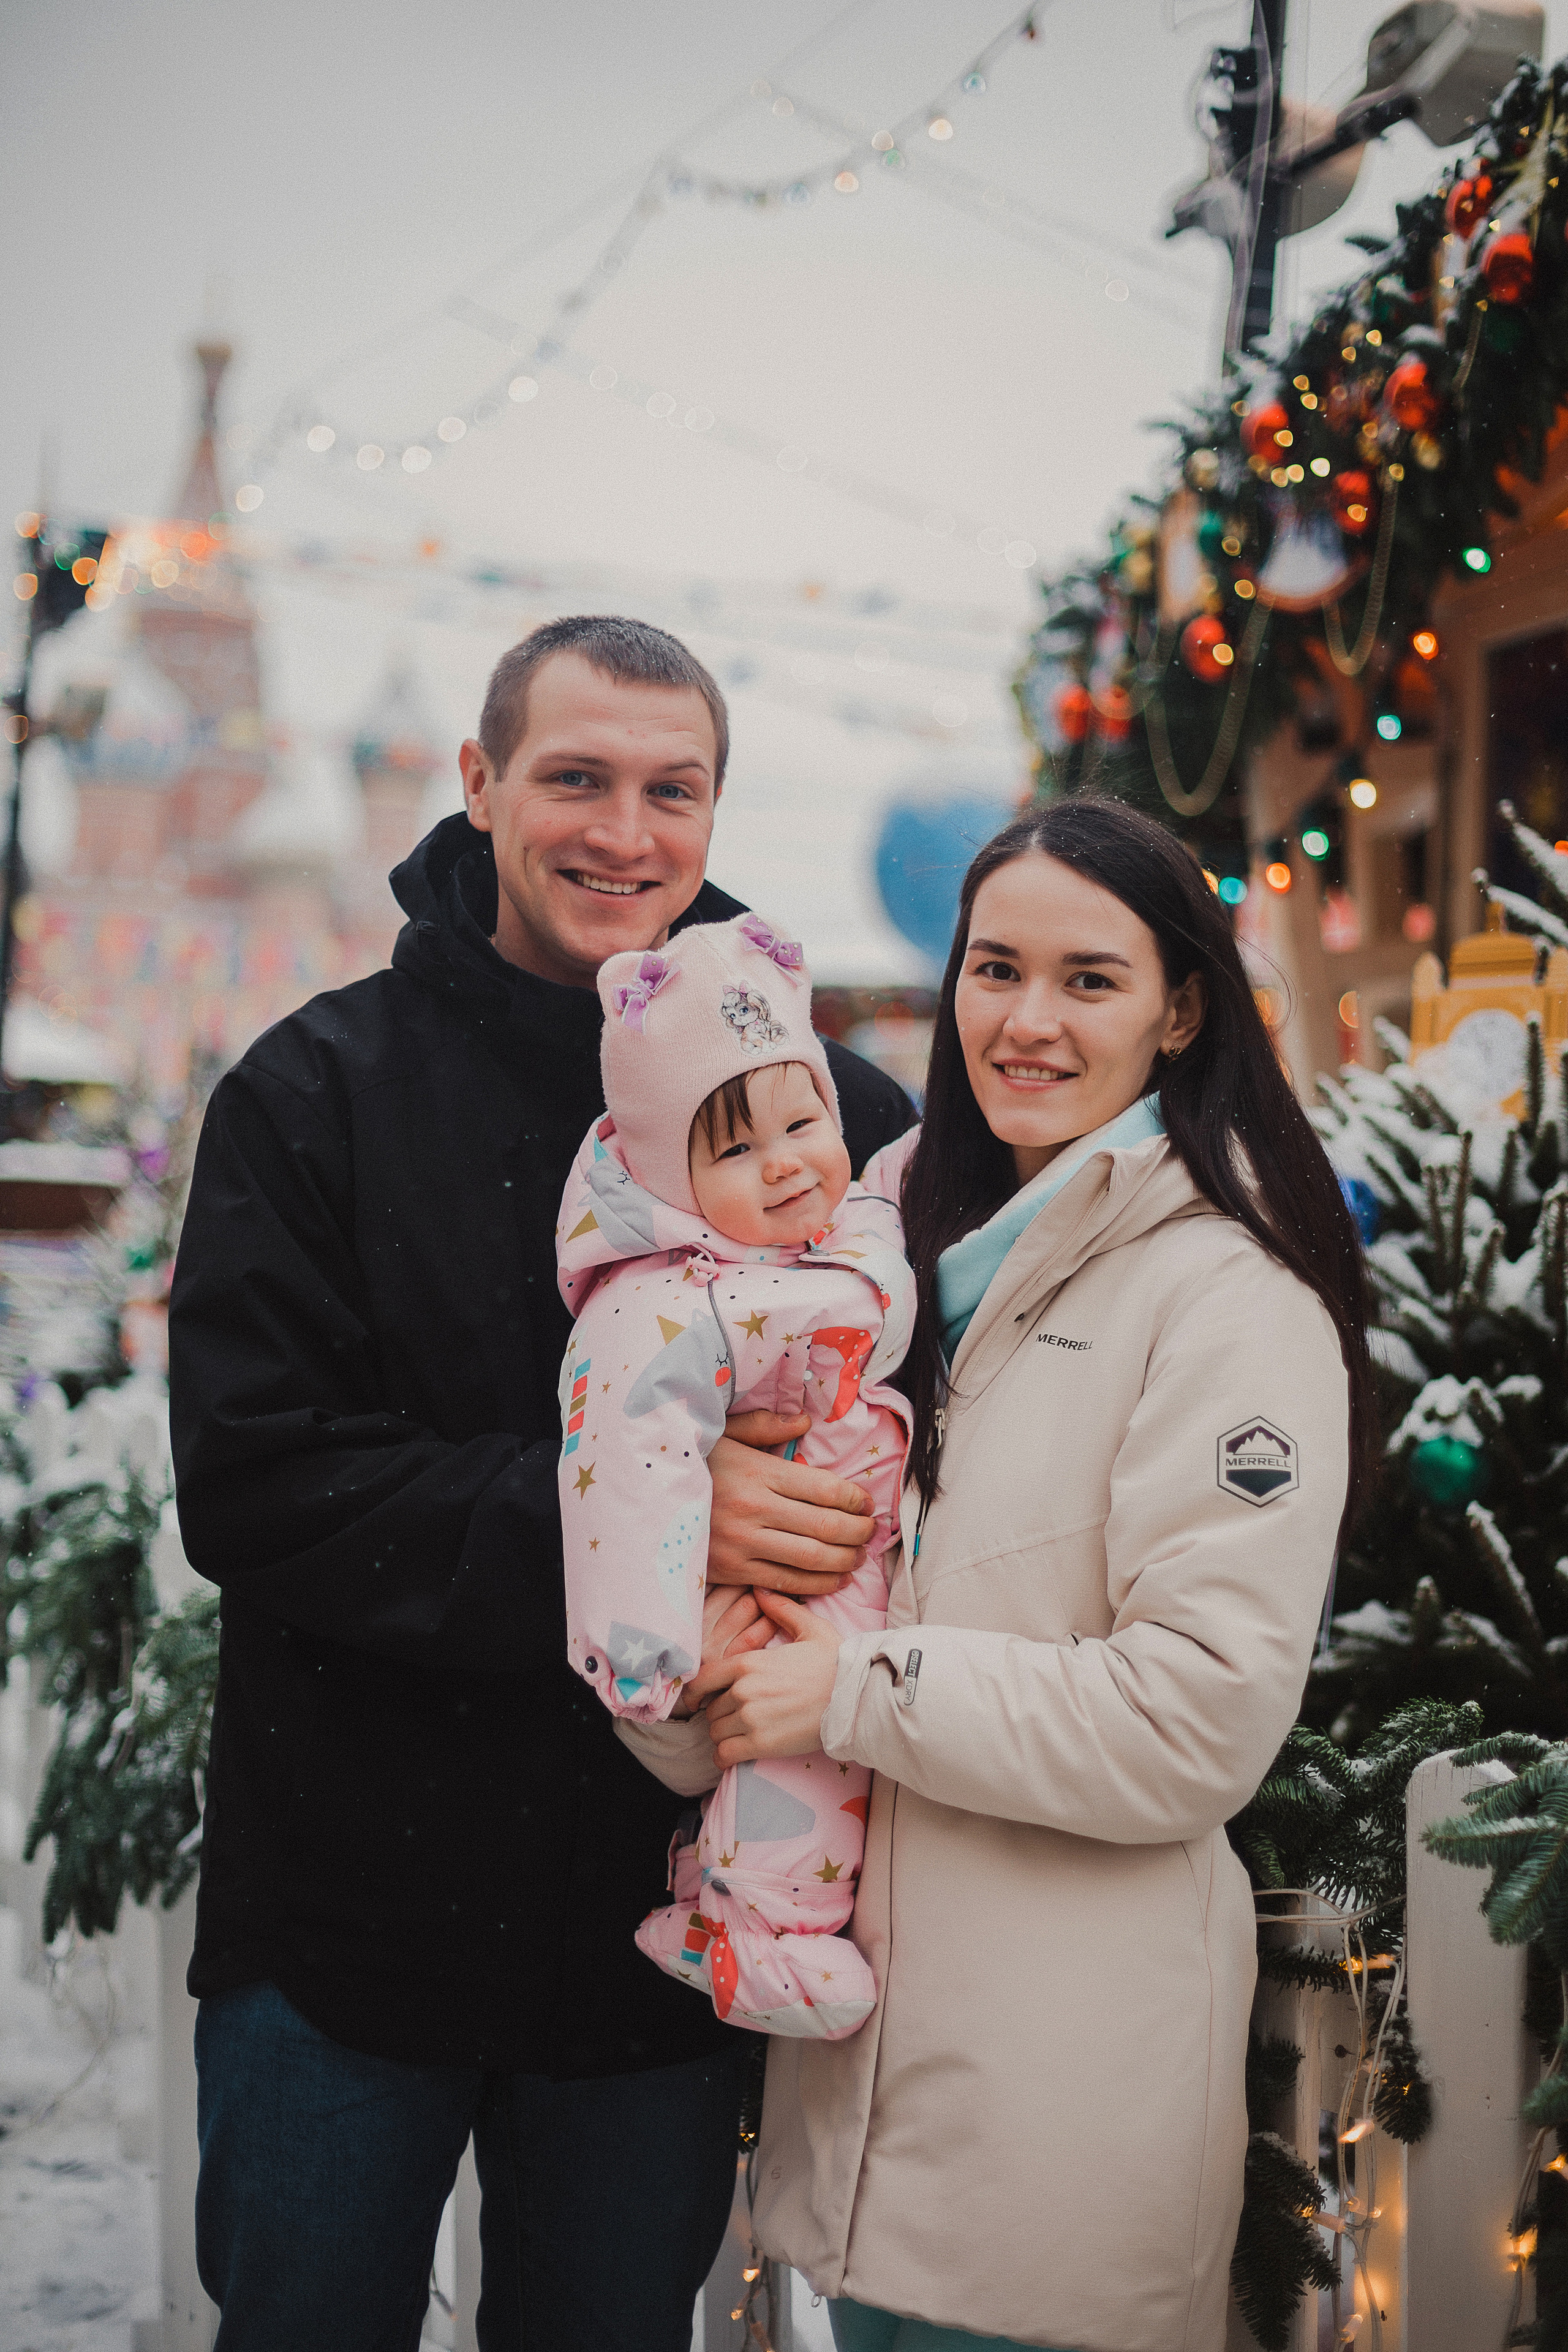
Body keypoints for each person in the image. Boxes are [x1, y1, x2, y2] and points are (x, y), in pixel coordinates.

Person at [167, 616, 914, 2351]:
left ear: (719, 811)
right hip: (349, 1918)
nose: (624, 833)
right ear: (481, 781)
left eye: (673, 789)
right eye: (575, 777)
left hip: (657, 1935)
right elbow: (262, 1489)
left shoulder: (831, 1109)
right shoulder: (312, 1093)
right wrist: (646, 1516)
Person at [646, 798, 1372, 2351]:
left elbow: (1195, 1719)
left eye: (1088, 979)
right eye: (993, 969)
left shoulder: (1223, 1296)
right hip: (857, 2123)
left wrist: (842, 1691)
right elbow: (791, 1617)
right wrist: (693, 1653)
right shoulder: (868, 1271)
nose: (1024, 1021)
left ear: (1181, 1008)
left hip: (1055, 2133)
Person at [556, 912, 913, 2039]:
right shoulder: (671, 1297)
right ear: (673, 1177)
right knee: (794, 1774)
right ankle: (755, 1942)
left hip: (848, 1582)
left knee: (820, 1765)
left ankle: (724, 1901)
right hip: (737, 1619)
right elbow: (622, 1458)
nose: (787, 1161)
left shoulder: (857, 1222)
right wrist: (648, 1649)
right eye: (737, 1151)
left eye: (805, 1121)